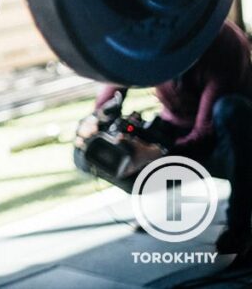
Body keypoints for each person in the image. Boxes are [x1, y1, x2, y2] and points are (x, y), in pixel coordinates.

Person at [77, 20, 252, 255]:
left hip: (224, 138)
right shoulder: (150, 36)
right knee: (86, 152)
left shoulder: (223, 42)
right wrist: (97, 119)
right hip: (175, 129)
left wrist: (156, 153)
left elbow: (203, 133)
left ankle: (240, 228)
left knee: (231, 111)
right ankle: (153, 197)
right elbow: (118, 78)